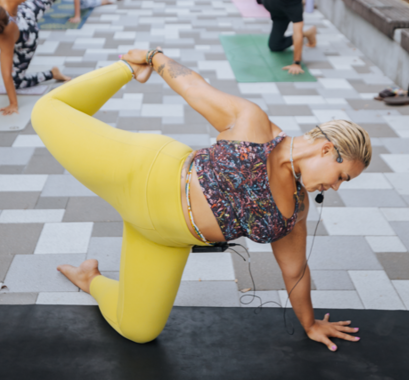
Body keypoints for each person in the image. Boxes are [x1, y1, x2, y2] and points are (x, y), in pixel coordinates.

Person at [32, 48, 371, 351]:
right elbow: (194, 87)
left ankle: (89, 278)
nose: (337, 188)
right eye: (342, 176)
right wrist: (152, 58)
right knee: (46, 112)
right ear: (327, 150)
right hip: (142, 173)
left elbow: (295, 270)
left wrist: (310, 324)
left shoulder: (295, 211)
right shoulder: (254, 124)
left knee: (139, 331)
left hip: (163, 239)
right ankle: (123, 67)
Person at [0, 0, 77, 116]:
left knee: (17, 83)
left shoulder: (4, 35)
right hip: (23, 13)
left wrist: (13, 104)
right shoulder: (5, 2)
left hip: (27, 38)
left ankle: (52, 74)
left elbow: (7, 75)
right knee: (42, 0)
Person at [262, 0, 356, 75]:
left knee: (274, 46)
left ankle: (307, 33)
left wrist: (296, 62)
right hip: (277, 10)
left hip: (281, 15)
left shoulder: (294, 7)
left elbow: (297, 34)